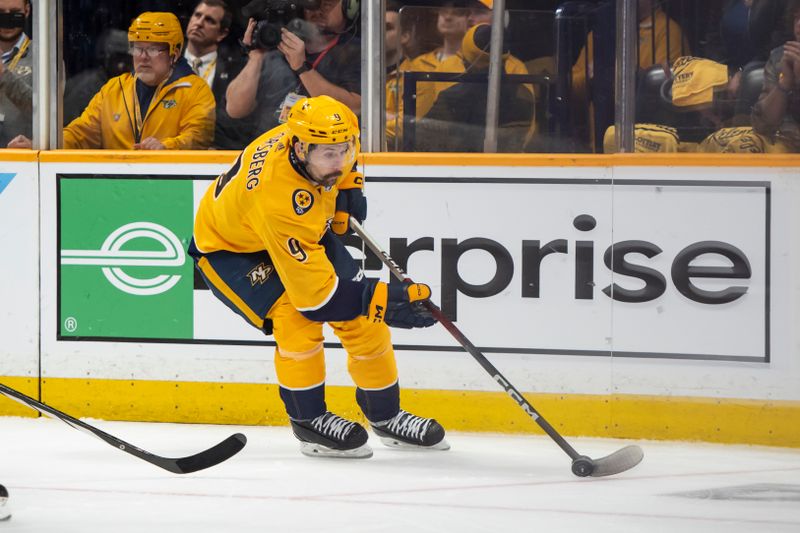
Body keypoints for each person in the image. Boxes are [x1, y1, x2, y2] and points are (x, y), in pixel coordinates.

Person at [190, 94, 449, 458]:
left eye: (344, 150)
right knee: (296, 319)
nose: (340, 160)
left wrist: (348, 185)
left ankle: (386, 416)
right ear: (298, 147)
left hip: (290, 228)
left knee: (365, 322)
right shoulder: (276, 198)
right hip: (230, 251)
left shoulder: (317, 135)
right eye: (329, 155)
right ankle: (309, 422)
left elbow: (348, 150)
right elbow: (317, 301)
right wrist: (384, 301)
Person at [62, 12, 215, 150]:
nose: (143, 56)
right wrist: (54, 143)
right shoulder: (114, 88)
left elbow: (198, 136)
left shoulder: (196, 90)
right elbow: (81, 133)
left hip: (167, 179)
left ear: (174, 54)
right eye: (137, 48)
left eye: (153, 49)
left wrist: (166, 146)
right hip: (114, 180)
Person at [225, 0, 361, 135]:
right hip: (270, 148)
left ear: (349, 7)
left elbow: (355, 108)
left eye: (326, 4)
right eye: (311, 4)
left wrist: (302, 68)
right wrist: (255, 58)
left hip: (321, 148)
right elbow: (235, 109)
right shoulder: (277, 46)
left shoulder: (355, 51)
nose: (318, 10)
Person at [418, 23, 535, 152]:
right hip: (509, 165)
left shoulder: (452, 97)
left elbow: (423, 138)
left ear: (466, 61)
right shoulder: (524, 94)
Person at [184, 0, 254, 149]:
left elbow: (237, 124)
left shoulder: (236, 70)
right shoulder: (166, 61)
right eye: (197, 15)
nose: (199, 23)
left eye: (209, 20)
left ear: (222, 34)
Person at [63, 29, 131, 125]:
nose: (122, 65)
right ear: (104, 59)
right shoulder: (87, 90)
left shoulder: (129, 85)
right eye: (117, 58)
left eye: (127, 59)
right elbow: (66, 126)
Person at [0, 0, 31, 149]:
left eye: (15, 13)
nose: (7, 21)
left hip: (21, 162)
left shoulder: (45, 59)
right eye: (1, 14)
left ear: (27, 11)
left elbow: (43, 111)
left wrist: (4, 74)